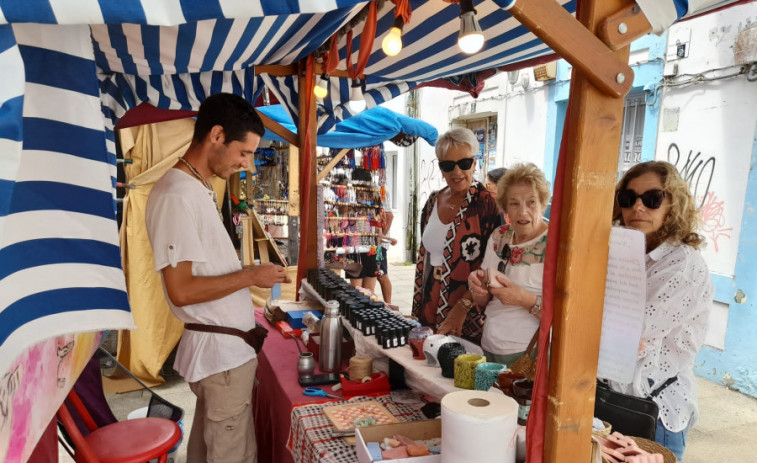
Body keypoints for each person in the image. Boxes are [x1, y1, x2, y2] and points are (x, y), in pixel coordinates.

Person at [145, 93, 290, 463]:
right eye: (243, 152)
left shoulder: (197, 187)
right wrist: (249, 275)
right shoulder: (177, 194)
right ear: (216, 135)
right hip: (220, 360)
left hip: (224, 357)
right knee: (231, 454)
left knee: (208, 448)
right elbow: (181, 290)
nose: (248, 165)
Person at [607, 161, 713, 460]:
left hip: (653, 410)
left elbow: (631, 329)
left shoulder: (683, 264)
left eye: (652, 199)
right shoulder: (623, 251)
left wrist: (615, 332)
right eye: (628, 198)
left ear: (672, 204)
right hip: (611, 399)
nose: (638, 207)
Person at [412, 128, 499, 343]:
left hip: (468, 312)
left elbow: (495, 265)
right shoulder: (433, 201)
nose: (456, 171)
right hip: (429, 303)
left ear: (475, 162)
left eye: (464, 163)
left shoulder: (488, 204)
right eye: (448, 165)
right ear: (440, 168)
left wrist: (462, 307)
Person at [467, 163, 550, 364]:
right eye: (514, 204)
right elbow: (486, 298)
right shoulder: (499, 236)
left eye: (531, 202)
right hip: (489, 345)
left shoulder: (556, 245)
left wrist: (524, 299)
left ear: (543, 203)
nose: (522, 212)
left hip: (527, 353)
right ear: (504, 208)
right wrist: (478, 287)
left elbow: (569, 316)